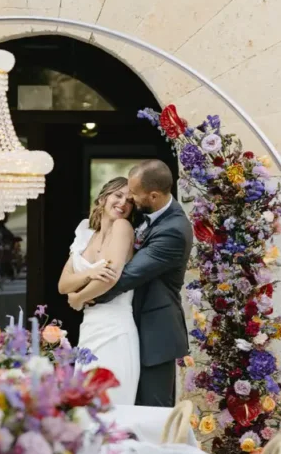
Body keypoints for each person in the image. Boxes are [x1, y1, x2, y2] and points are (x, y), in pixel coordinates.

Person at [67, 160, 193, 407]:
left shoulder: (173, 230)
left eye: (134, 193)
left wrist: (82, 297)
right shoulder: (143, 217)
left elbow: (125, 277)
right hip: (129, 326)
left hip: (155, 332)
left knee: (153, 411)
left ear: (153, 196)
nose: (130, 200)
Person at [57, 177, 140, 405]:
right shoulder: (85, 234)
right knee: (85, 405)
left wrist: (79, 297)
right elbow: (63, 284)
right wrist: (88, 274)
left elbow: (110, 277)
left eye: (130, 201)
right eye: (118, 195)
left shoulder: (123, 227)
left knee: (110, 405)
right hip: (89, 329)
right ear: (103, 198)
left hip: (115, 328)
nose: (123, 203)